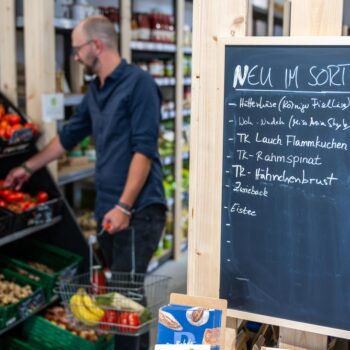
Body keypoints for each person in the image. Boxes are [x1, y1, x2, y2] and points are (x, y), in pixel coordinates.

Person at [5, 15, 167, 350]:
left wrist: (124, 206)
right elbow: (68, 137)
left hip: (138, 211)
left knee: (126, 298)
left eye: (78, 49)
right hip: (110, 209)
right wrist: (26, 166)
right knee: (120, 296)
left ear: (97, 45)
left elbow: (144, 151)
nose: (76, 56)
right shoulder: (97, 90)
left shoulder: (139, 85)